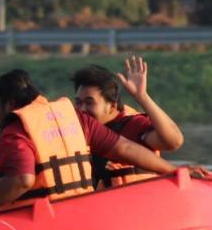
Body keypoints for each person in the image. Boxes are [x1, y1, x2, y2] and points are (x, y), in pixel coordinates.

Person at [0, 68, 199, 228]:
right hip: (84, 219)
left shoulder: (16, 129)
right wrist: (173, 170)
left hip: (41, 226)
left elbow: (21, 180)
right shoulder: (74, 118)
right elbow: (124, 149)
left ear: (10, 104)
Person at [72, 55, 184, 188]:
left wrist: (142, 97)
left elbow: (174, 141)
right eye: (78, 103)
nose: (82, 109)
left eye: (89, 103)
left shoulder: (132, 126)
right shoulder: (77, 131)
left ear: (112, 106)